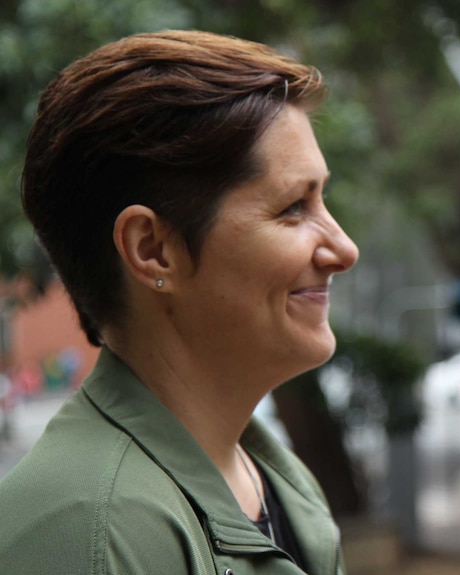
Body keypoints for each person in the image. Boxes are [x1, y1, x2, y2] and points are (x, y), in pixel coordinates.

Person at [0, 30, 359, 574]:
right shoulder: (93, 534)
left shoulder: (275, 478)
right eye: (292, 207)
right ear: (152, 250)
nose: (343, 249)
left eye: (321, 199)